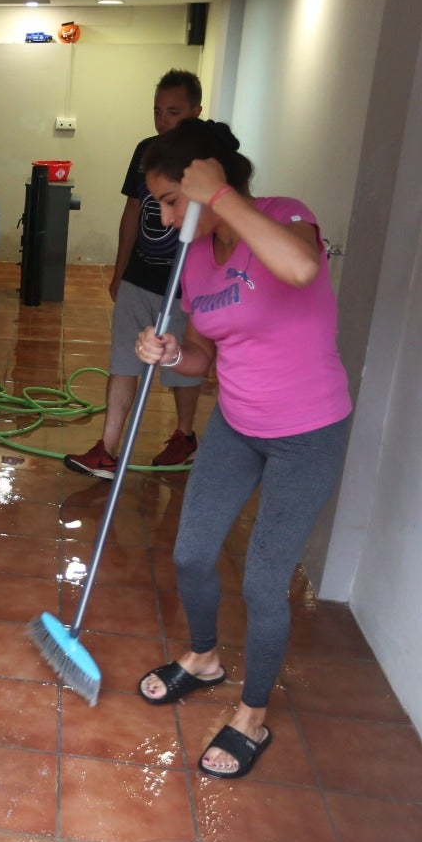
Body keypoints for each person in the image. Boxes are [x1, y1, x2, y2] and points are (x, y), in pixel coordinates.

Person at [130, 120, 352, 779]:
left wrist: (223, 197)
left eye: (173, 200)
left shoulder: (286, 218)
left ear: (206, 184)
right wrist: (175, 352)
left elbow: (302, 266)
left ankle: (252, 715)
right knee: (192, 552)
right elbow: (207, 350)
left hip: (307, 433)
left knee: (262, 583)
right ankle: (204, 658)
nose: (166, 218)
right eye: (161, 204)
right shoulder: (196, 257)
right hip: (237, 424)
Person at [66, 69, 207, 479]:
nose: (164, 121)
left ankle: (184, 435)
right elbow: (132, 210)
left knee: (181, 363)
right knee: (123, 358)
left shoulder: (204, 162)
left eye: (174, 112)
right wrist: (119, 268)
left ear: (197, 111)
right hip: (139, 276)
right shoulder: (145, 150)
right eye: (158, 111)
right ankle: (107, 449)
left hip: (184, 283)